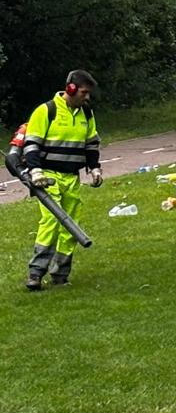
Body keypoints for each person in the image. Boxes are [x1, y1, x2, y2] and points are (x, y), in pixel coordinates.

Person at [21, 70, 103, 290]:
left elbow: (91, 143)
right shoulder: (46, 111)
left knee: (70, 226)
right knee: (50, 222)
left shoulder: (86, 113)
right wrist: (35, 171)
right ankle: (36, 273)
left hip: (71, 179)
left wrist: (94, 168)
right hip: (47, 177)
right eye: (84, 92)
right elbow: (32, 144)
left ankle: (60, 274)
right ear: (71, 89)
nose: (87, 97)